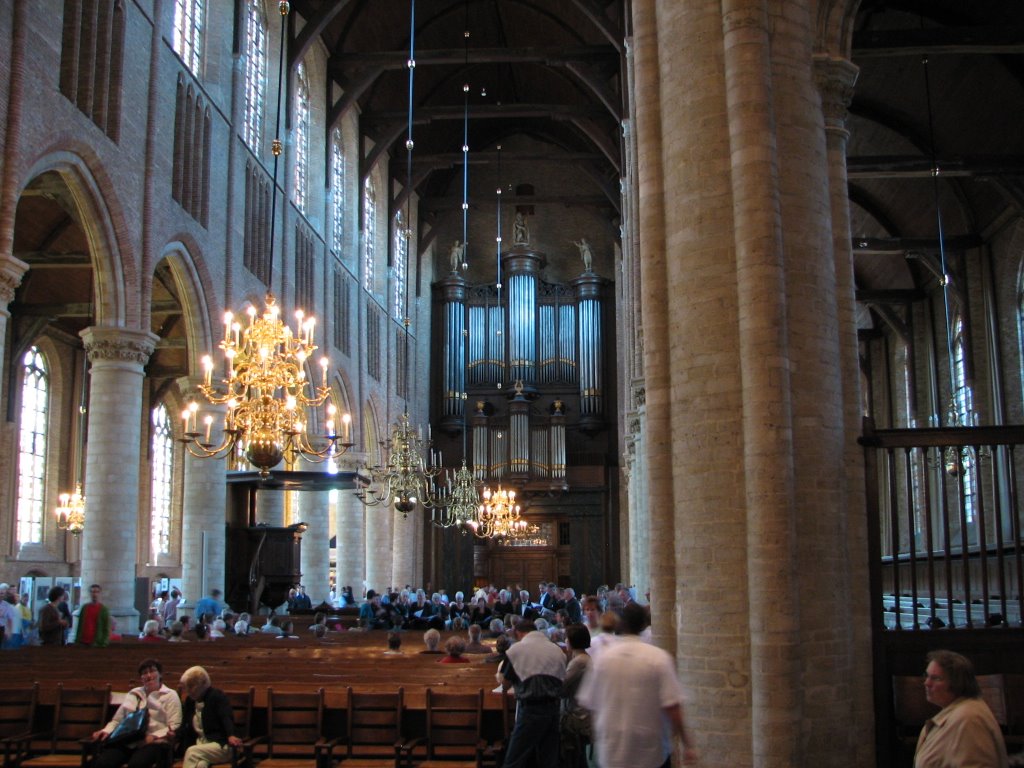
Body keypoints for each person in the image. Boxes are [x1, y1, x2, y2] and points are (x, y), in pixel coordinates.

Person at [577, 603, 697, 768]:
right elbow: (673, 706)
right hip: (650, 750)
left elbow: (591, 704)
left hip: (612, 749)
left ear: (621, 624)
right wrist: (687, 743)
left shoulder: (603, 659)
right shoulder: (658, 658)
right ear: (643, 625)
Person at [913, 650, 1009, 768]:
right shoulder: (956, 713)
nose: (926, 683)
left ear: (957, 683)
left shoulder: (968, 719)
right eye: (926, 676)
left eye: (936, 678)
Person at [499, 619, 567, 768]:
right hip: (554, 709)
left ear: (518, 633)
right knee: (548, 759)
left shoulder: (517, 650)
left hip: (530, 709)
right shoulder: (556, 649)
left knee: (514, 759)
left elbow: (505, 683)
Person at [92, 658, 182, 768]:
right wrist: (105, 731)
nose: (149, 675)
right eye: (144, 673)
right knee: (104, 762)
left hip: (153, 742)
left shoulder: (170, 695)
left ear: (160, 674)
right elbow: (117, 720)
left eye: (152, 671)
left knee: (136, 764)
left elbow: (174, 725)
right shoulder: (134, 694)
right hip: (128, 740)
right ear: (141, 678)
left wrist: (153, 736)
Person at [179, 666, 243, 768]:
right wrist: (173, 735)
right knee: (200, 765)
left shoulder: (217, 696)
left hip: (221, 744)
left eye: (191, 686)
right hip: (201, 746)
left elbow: (225, 717)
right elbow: (185, 725)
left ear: (201, 684)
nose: (189, 690)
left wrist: (231, 734)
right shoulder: (190, 701)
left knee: (191, 752)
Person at [560, 625, 593, 768]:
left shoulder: (579, 662)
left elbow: (561, 688)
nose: (565, 641)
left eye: (566, 638)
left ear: (573, 640)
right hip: (582, 711)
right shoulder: (584, 658)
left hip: (579, 715)